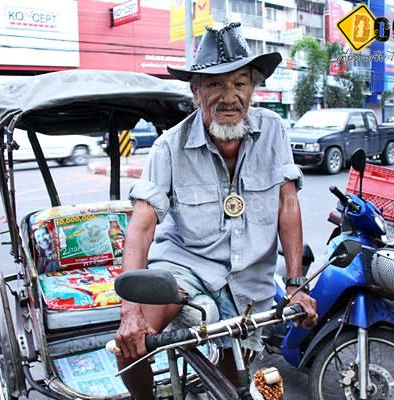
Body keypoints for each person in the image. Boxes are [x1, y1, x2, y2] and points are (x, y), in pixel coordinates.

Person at [114, 22, 317, 399]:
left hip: (250, 280)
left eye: (239, 83)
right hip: (185, 267)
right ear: (196, 92)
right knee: (131, 347)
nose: (229, 96)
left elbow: (287, 202)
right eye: (215, 84)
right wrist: (130, 312)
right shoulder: (168, 147)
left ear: (253, 90)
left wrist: (295, 285)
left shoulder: (274, 131)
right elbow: (141, 226)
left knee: (232, 383)